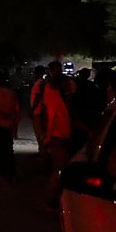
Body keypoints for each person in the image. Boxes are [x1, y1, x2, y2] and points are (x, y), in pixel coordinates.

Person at [40, 66, 75, 211]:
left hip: (60, 136)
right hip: (58, 137)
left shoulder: (55, 98)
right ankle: (50, 200)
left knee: (59, 170)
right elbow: (52, 120)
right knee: (59, 170)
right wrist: (47, 139)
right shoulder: (56, 100)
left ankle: (54, 199)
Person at [0, 69, 20, 181]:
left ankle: (3, 170)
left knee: (0, 149)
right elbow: (17, 111)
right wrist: (14, 125)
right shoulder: (12, 94)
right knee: (9, 148)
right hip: (9, 124)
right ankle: (11, 171)